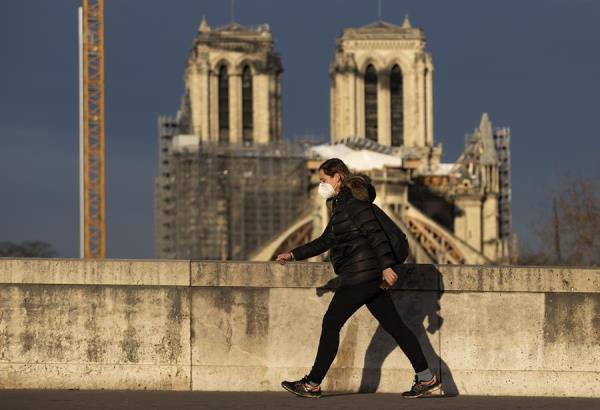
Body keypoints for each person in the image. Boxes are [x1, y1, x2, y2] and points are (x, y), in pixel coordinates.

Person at [276, 158, 442, 399]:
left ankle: (312, 383)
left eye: (324, 180)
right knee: (396, 327)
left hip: (361, 275)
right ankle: (427, 378)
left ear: (337, 177)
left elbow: (376, 236)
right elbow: (326, 240)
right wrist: (293, 254)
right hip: (366, 275)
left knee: (331, 323)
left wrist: (386, 267)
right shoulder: (341, 206)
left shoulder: (355, 204)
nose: (322, 185)